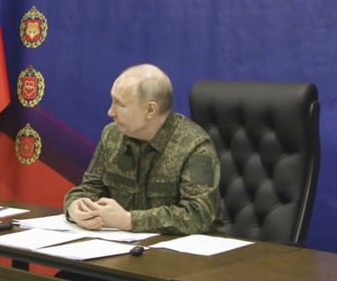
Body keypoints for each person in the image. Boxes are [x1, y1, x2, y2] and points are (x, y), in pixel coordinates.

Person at [63, 63, 223, 234]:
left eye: (120, 104)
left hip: (182, 248)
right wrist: (75, 207)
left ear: (150, 110)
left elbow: (198, 215)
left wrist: (129, 220)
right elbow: (90, 187)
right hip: (123, 245)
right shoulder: (112, 135)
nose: (111, 112)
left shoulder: (195, 146)